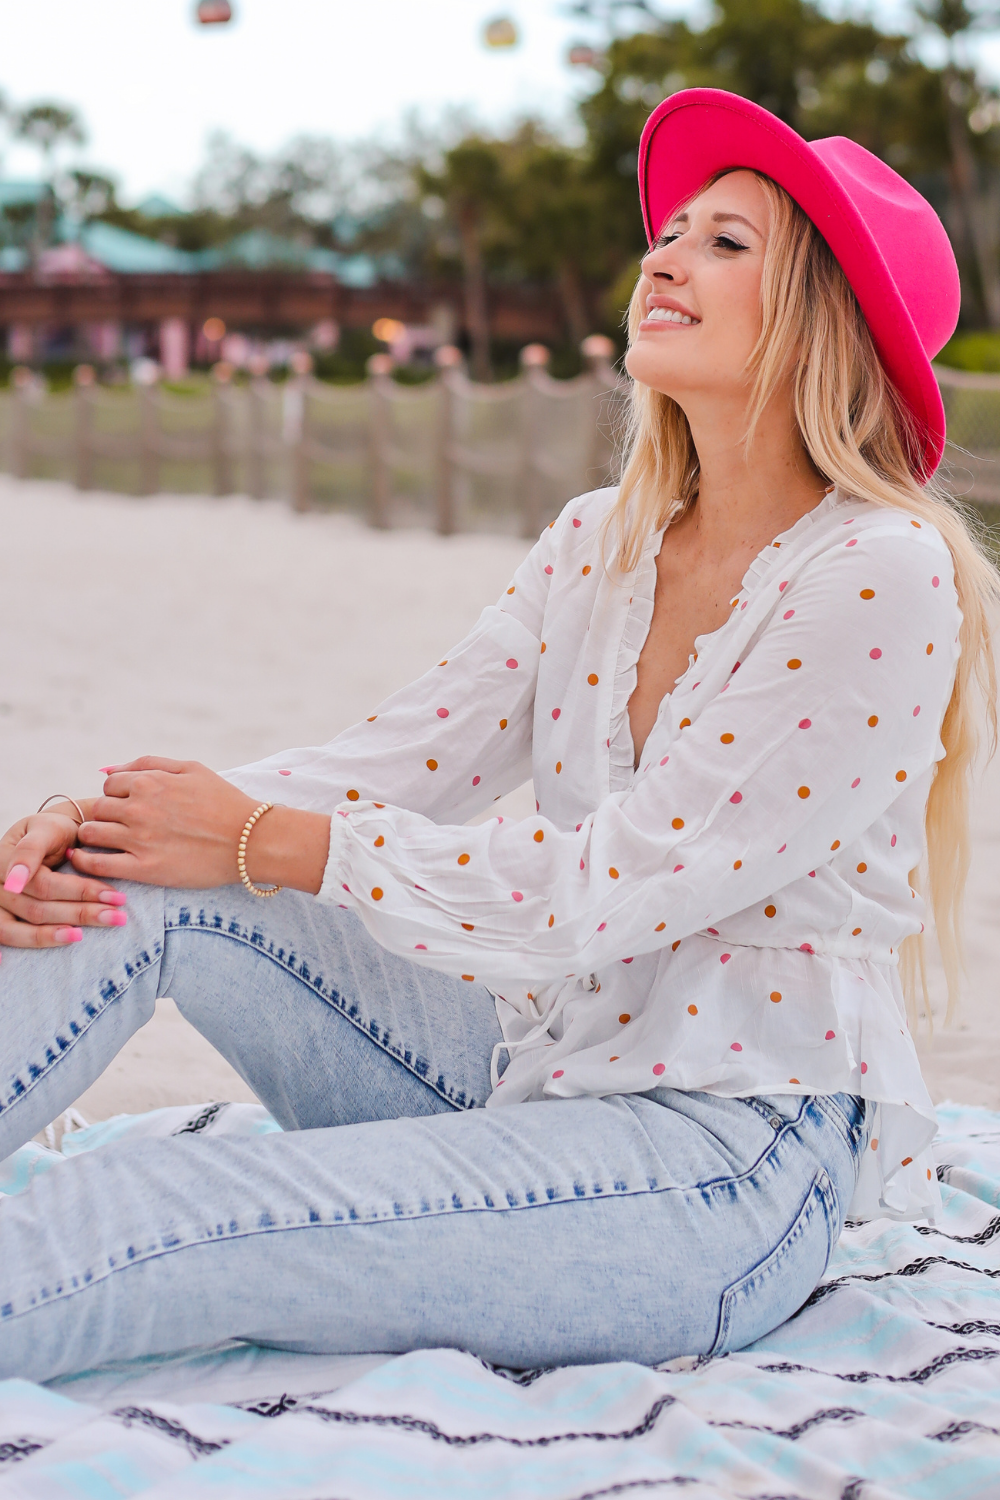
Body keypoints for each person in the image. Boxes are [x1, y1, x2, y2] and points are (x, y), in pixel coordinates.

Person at [0, 89, 996, 1384]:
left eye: (726, 242)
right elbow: (398, 756)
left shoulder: (882, 572)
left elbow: (617, 886)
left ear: (824, 318)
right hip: (542, 1063)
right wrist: (111, 821)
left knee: (144, 1210)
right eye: (672, 230)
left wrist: (275, 844)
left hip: (718, 1170)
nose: (664, 254)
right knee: (134, 884)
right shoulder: (604, 540)